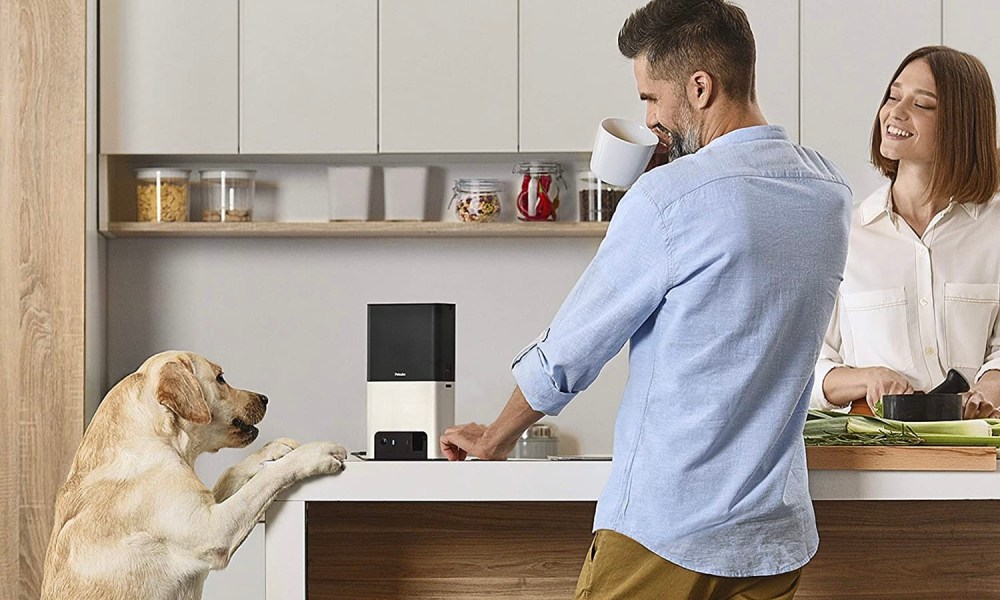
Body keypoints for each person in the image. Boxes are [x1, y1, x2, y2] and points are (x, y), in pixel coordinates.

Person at [440, 1, 852, 597]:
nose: (651, 119)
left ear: (700, 87)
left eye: (651, 100)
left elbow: (572, 351)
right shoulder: (829, 192)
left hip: (667, 533)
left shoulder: (668, 199)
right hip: (771, 539)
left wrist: (493, 437)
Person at [811, 46, 1000, 419]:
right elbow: (808, 367)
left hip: (979, 457)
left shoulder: (994, 230)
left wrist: (989, 385)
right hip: (875, 460)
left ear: (961, 124)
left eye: (922, 104)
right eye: (893, 96)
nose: (894, 113)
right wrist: (868, 378)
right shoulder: (845, 235)